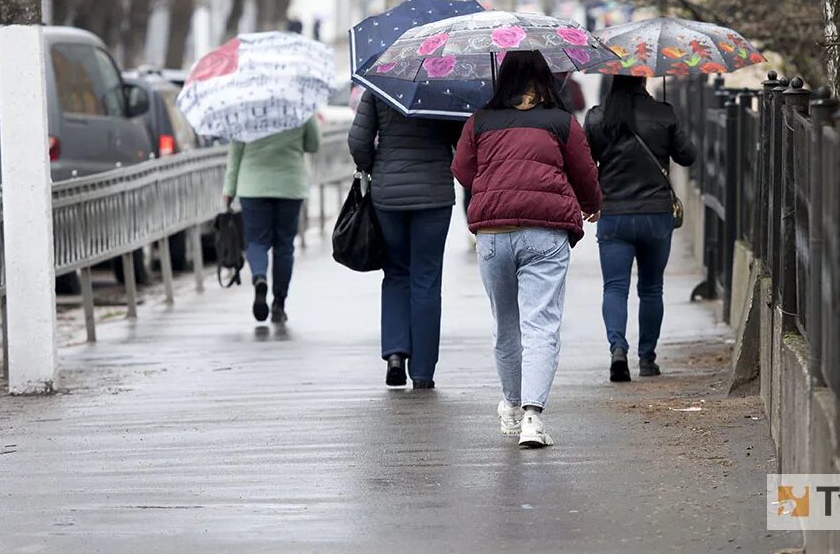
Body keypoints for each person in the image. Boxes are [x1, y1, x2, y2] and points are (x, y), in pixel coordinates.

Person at [452, 51, 602, 448]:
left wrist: (495, 178)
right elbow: (583, 171)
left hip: (493, 232)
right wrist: (591, 204)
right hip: (545, 232)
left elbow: (463, 170)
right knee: (541, 325)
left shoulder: (480, 120)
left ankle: (511, 403)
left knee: (506, 325)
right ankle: (533, 418)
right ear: (546, 80)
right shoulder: (560, 122)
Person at [584, 76, 696, 382]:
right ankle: (647, 359)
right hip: (655, 215)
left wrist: (589, 201)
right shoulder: (662, 113)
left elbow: (584, 165)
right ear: (644, 77)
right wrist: (669, 120)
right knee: (651, 288)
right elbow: (688, 156)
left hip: (614, 215)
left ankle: (617, 349)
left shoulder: (597, 117)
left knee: (614, 288)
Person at [348, 90, 460, 390]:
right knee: (427, 279)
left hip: (389, 194)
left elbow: (358, 141)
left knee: (396, 273)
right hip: (434, 194)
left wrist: (374, 167)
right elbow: (462, 142)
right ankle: (423, 372)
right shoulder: (445, 86)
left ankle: (396, 354)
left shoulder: (379, 84)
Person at [223, 116, 321, 324]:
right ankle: (279, 304)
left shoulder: (245, 108)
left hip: (252, 186)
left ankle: (259, 276)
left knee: (256, 242)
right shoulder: (299, 103)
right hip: (290, 185)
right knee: (284, 246)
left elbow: (235, 155)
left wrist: (228, 191)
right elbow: (313, 144)